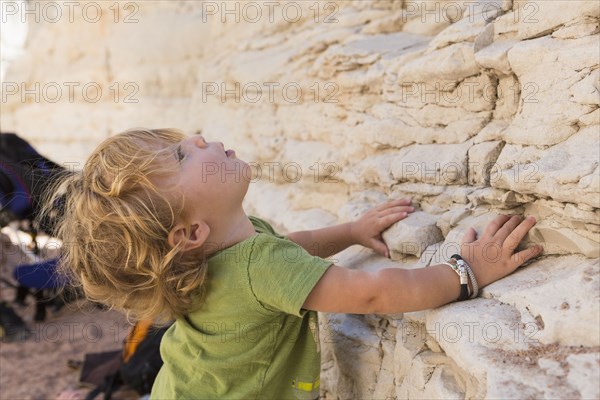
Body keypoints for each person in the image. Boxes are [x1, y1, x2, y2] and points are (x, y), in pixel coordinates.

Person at [51, 128, 543, 399]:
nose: (199, 137)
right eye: (182, 155)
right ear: (192, 233)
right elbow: (372, 292)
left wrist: (351, 232)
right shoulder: (258, 266)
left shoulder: (235, 252)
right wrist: (466, 272)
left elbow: (294, 247)